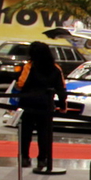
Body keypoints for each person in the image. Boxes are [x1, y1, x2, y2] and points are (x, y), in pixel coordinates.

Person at [16, 41, 67, 172]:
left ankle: (25, 157)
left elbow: (21, 83)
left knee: (26, 131)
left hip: (28, 103)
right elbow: (61, 88)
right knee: (44, 133)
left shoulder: (29, 66)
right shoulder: (55, 68)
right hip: (45, 104)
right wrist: (62, 105)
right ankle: (42, 159)